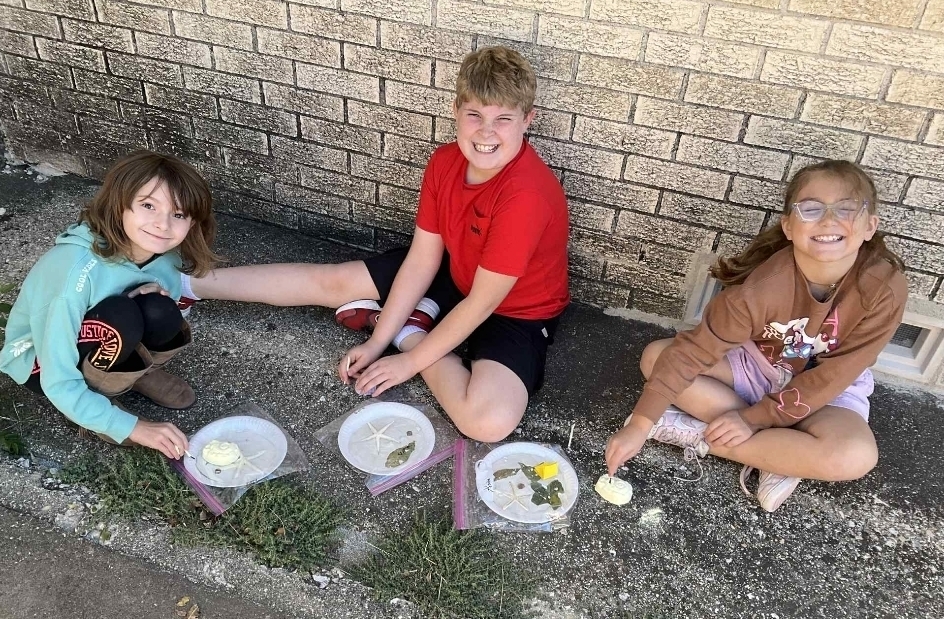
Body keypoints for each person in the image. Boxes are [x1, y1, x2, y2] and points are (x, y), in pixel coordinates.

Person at [184, 45, 570, 442]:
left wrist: (406, 358)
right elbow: (423, 258)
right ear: (456, 110)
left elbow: (484, 303)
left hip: (515, 310)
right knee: (335, 283)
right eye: (475, 115)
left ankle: (414, 330)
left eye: (503, 119)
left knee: (487, 423)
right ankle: (188, 285)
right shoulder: (445, 161)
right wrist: (376, 341)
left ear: (528, 120)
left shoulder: (525, 195)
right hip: (458, 272)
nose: (486, 132)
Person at [604, 160, 908, 512]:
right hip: (755, 367)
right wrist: (639, 425)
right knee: (657, 358)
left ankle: (702, 436)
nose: (828, 220)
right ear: (788, 226)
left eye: (846, 209)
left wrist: (751, 420)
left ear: (870, 226)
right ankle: (782, 456)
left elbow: (836, 375)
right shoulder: (761, 288)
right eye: (811, 209)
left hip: (824, 392)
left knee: (854, 456)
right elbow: (691, 353)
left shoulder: (884, 289)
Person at [0, 150, 221, 459]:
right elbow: (57, 377)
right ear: (120, 206)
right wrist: (134, 427)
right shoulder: (74, 270)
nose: (163, 224)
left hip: (99, 334)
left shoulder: (166, 257)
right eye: (148, 205)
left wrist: (159, 303)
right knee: (121, 316)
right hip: (41, 361)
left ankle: (136, 375)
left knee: (160, 308)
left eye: (179, 214)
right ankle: (92, 403)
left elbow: (168, 314)